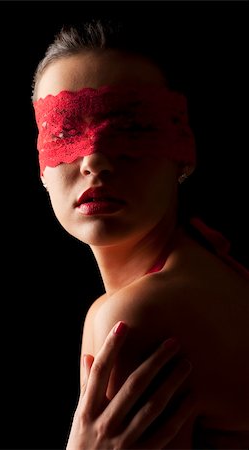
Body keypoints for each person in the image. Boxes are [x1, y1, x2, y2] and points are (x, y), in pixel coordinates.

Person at [31, 18, 249, 448]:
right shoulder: (204, 261)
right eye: (63, 132)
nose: (94, 159)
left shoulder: (134, 317)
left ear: (183, 150)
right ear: (40, 168)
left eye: (130, 128)